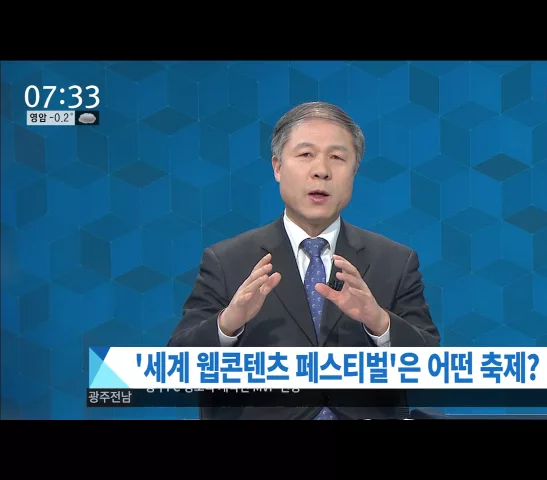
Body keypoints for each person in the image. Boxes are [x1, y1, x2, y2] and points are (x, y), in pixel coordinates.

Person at [168, 101, 440, 420]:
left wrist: (380, 323)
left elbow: (431, 367)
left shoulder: (395, 261)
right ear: (277, 167)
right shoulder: (226, 261)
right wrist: (228, 324)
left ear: (354, 172)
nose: (321, 170)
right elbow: (177, 369)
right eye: (306, 154)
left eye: (337, 157)